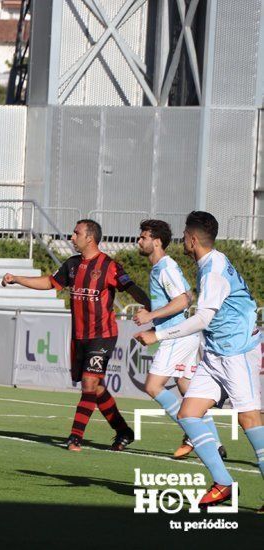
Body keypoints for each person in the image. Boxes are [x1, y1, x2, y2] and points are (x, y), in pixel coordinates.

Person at [135, 211, 262, 509]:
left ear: (192, 239)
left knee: (249, 418)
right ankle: (223, 484)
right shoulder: (209, 264)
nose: (182, 240)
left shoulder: (214, 270)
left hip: (237, 351)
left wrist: (158, 334)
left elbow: (203, 317)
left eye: (183, 235)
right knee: (189, 414)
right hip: (216, 352)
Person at [2, 219, 150, 452]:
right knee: (96, 388)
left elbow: (130, 287)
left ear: (89, 237)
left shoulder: (109, 266)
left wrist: (151, 308)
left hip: (103, 335)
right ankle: (123, 431)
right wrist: (17, 279)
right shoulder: (72, 265)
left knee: (89, 384)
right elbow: (50, 283)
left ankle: (75, 437)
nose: (72, 237)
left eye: (76, 233)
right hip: (79, 337)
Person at [132, 219, 224, 459]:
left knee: (153, 386)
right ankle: (214, 442)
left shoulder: (165, 267)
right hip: (184, 335)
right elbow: (188, 296)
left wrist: (151, 316)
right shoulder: (162, 267)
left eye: (143, 237)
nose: (139, 241)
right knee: (187, 388)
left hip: (178, 336)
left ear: (157, 242)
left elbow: (183, 300)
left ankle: (196, 435)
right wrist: (151, 313)